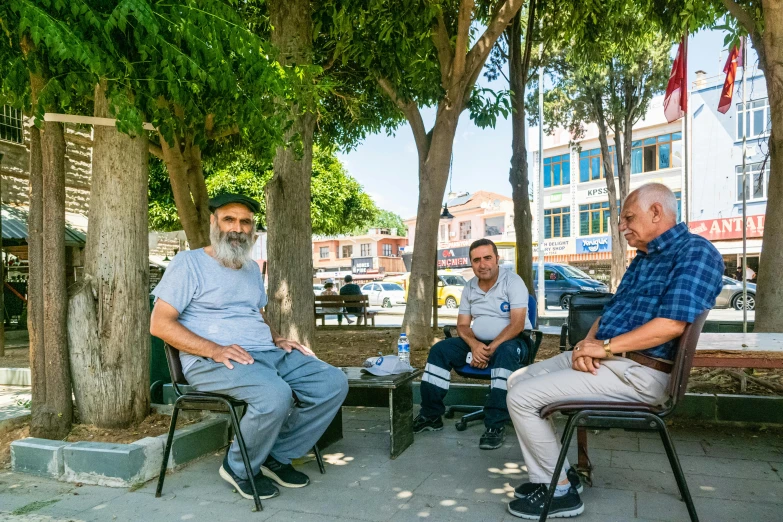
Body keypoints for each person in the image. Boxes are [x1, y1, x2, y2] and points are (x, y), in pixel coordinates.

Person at [504, 183, 723, 520]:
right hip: (612, 359)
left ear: (656, 212)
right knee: (517, 379)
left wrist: (604, 348)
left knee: (522, 397)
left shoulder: (696, 252)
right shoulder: (644, 259)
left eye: (628, 217)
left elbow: (671, 325)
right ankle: (560, 474)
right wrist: (584, 346)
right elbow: (610, 314)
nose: (622, 227)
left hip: (640, 373)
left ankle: (559, 492)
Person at [150, 193, 349, 502]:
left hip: (266, 353)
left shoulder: (250, 268)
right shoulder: (188, 264)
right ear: (214, 222)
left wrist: (277, 337)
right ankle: (239, 467)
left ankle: (275, 455)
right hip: (212, 360)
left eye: (245, 222)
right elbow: (160, 324)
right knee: (275, 395)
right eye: (229, 219)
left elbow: (256, 312)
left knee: (332, 383)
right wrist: (214, 349)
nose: (238, 228)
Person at [413, 238, 532, 450]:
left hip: (512, 343)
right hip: (478, 344)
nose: (482, 264)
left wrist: (490, 348)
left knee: (504, 352)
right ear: (471, 263)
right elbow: (462, 325)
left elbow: (517, 324)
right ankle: (431, 415)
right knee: (440, 350)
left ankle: (495, 425)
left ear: (497, 259)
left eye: (487, 258)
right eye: (476, 260)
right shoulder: (469, 287)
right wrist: (475, 345)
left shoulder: (513, 282)